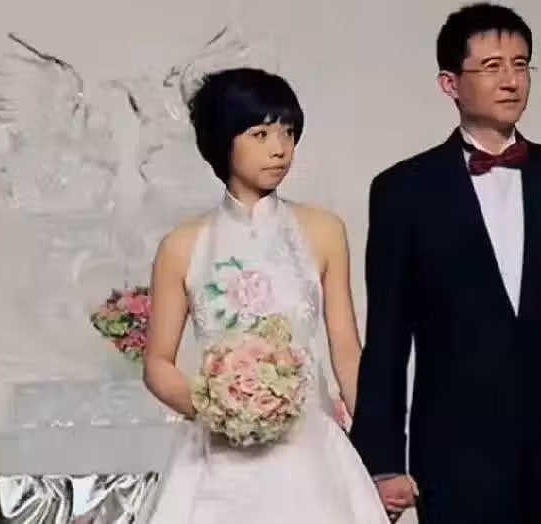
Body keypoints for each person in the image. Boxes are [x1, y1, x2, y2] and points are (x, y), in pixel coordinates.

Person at [349, 3, 541, 523]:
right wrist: (382, 460)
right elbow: (387, 336)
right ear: (450, 83)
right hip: (453, 456)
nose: (511, 80)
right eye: (492, 66)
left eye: (521, 64)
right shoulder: (402, 190)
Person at [142, 67, 390, 524]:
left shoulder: (323, 230)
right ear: (222, 140)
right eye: (260, 134)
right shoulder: (182, 245)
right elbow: (157, 362)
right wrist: (221, 407)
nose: (280, 148)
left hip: (310, 452)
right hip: (216, 461)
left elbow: (346, 351)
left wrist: (381, 451)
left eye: (288, 132)